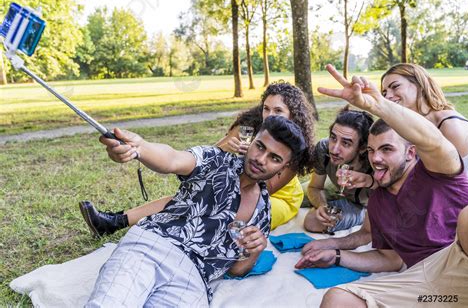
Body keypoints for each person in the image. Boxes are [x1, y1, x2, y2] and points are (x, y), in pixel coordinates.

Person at [296, 65, 468, 307]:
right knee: (339, 298)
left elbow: (433, 142)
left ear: (411, 152)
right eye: (371, 150)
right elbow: (389, 257)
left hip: (465, 259)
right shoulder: (378, 200)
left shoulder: (437, 171)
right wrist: (336, 255)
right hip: (429, 284)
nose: (375, 158)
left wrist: (376, 105)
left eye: (386, 149)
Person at [86, 116, 307, 307]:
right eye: (260, 146)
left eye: (274, 158)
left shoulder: (263, 213)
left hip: (193, 280)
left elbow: (237, 269)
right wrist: (140, 148)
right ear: (253, 140)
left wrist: (255, 250)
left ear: (284, 168)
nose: (261, 159)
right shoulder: (216, 160)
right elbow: (172, 159)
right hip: (153, 247)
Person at [79, 81, 316, 236]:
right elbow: (205, 157)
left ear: (292, 114)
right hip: (234, 180)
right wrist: (228, 147)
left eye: (278, 111)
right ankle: (115, 221)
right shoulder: (249, 127)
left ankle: (115, 223)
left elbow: (265, 189)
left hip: (273, 197)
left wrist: (251, 161)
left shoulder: (295, 147)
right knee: (192, 193)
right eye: (266, 108)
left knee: (207, 200)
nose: (269, 115)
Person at [303, 106, 374, 234]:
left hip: (364, 203)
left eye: (346, 143)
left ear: (363, 148)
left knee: (312, 222)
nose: (334, 150)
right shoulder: (324, 149)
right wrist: (322, 206)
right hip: (336, 187)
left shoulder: (375, 162)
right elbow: (314, 187)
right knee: (298, 194)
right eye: (333, 138)